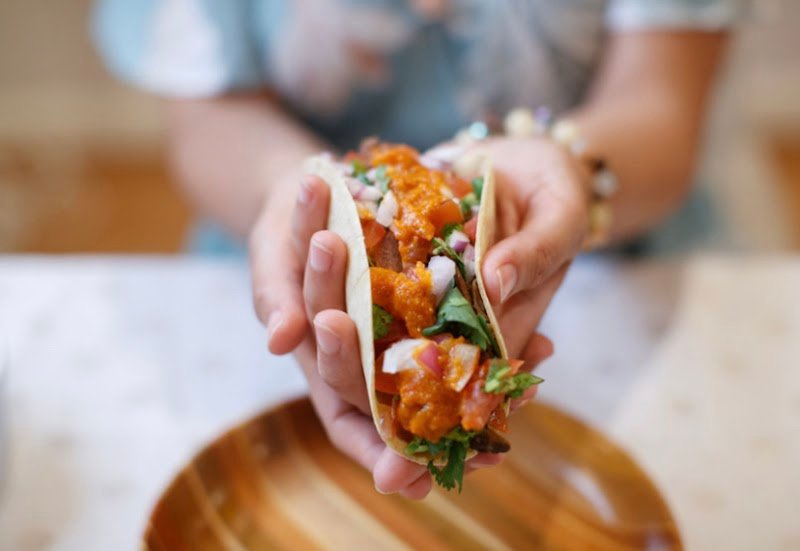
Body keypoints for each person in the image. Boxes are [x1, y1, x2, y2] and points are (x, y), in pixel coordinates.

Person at [94, 0, 737, 499]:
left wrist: (566, 166)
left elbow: (661, 104)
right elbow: (210, 118)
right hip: (267, 279)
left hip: (624, 261)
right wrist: (289, 193)